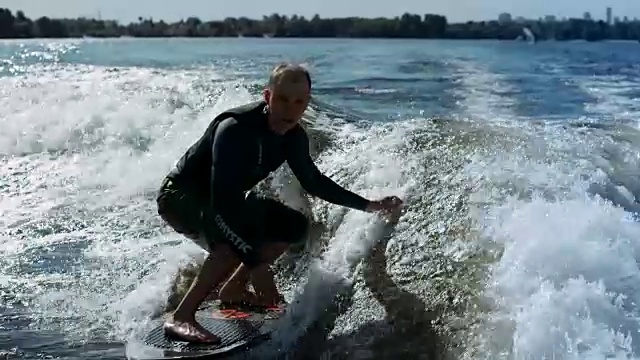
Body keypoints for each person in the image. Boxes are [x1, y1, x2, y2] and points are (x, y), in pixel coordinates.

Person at [156, 62, 404, 343]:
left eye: (299, 101)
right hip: (181, 197)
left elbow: (314, 181)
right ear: (267, 97)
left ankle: (234, 289)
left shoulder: (293, 136)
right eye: (283, 99)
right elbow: (221, 205)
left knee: (292, 226)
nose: (291, 109)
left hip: (226, 200)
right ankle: (182, 317)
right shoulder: (234, 129)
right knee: (228, 243)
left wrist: (369, 205)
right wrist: (257, 265)